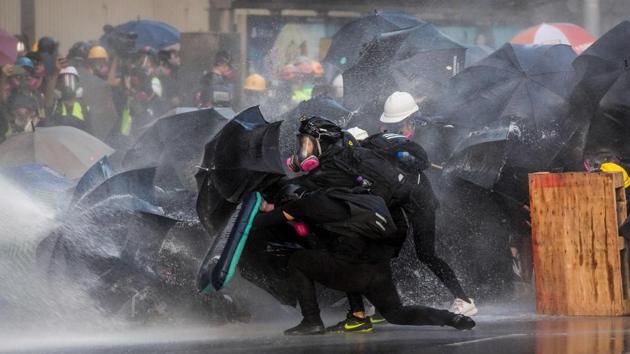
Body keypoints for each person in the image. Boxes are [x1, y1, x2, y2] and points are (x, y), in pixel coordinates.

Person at [255, 119, 475, 335]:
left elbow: (290, 208)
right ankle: (449, 318)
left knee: (304, 258)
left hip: (357, 261)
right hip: (377, 260)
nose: (303, 151)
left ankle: (317, 320)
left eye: (307, 143)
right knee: (396, 313)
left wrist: (262, 209)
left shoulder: (325, 184)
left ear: (322, 144)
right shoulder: (347, 167)